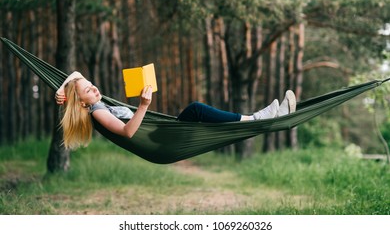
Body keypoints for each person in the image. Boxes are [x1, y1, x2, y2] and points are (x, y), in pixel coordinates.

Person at [55, 71, 296, 150]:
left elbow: (76, 74)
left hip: (160, 135)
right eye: (88, 90)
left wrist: (59, 90)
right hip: (160, 141)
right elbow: (127, 132)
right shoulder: (97, 112)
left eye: (91, 84)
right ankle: (256, 119)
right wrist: (144, 105)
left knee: (197, 111)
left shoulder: (94, 105)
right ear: (82, 102)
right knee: (196, 109)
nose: (94, 87)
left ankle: (263, 119)